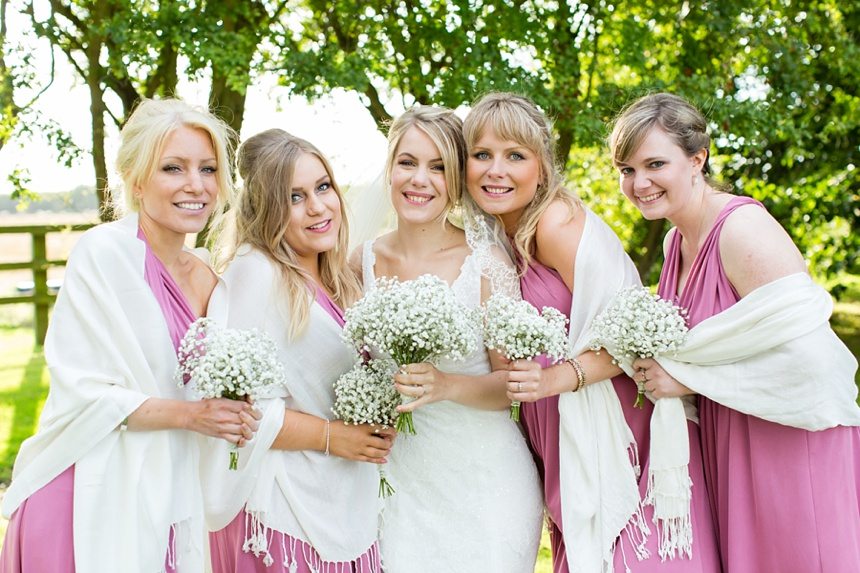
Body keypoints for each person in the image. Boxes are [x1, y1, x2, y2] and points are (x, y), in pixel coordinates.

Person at [463, 92, 722, 573]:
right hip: (559, 435)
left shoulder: (554, 223)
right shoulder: (495, 239)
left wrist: (555, 379)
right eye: (482, 155)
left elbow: (633, 335)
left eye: (514, 155)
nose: (495, 170)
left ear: (541, 167)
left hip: (623, 432)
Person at [0, 98, 259, 572]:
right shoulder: (103, 255)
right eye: (173, 168)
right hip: (86, 496)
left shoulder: (210, 281)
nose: (195, 186)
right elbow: (86, 393)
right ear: (137, 181)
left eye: (207, 169)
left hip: (172, 500)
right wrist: (193, 415)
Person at [609, 92, 860, 572]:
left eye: (654, 164)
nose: (638, 183)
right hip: (731, 438)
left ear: (697, 158)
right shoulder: (675, 241)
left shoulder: (741, 230)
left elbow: (814, 363)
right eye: (626, 169)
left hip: (789, 443)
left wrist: (686, 379)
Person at [350, 105, 543, 572]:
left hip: (484, 484)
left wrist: (446, 385)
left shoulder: (486, 261)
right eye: (408, 162)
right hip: (397, 482)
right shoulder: (360, 261)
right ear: (389, 168)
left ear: (457, 179)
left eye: (439, 167)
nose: (421, 179)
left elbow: (512, 387)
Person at [204, 128, 393, 572]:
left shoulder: (341, 279)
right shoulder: (256, 275)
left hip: (346, 495)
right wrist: (335, 437)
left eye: (323, 186)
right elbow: (240, 411)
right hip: (283, 514)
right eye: (294, 197)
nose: (318, 207)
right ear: (267, 209)